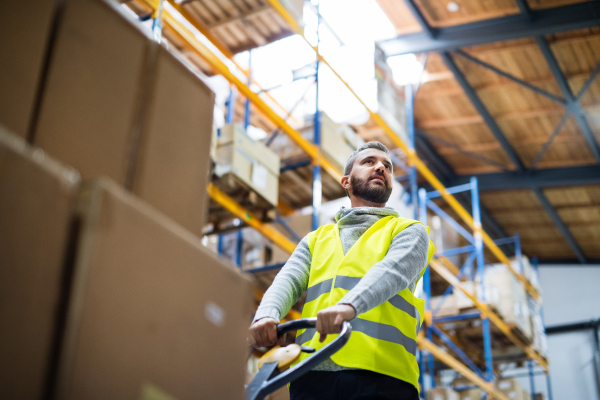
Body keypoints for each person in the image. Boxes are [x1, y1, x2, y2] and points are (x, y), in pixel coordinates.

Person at [248, 141, 434, 400]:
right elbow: (287, 280)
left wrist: (348, 306)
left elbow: (393, 272)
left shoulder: (409, 231)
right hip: (311, 376)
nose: (380, 167)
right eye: (369, 162)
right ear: (346, 181)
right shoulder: (316, 239)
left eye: (387, 166)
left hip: (383, 378)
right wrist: (266, 315)